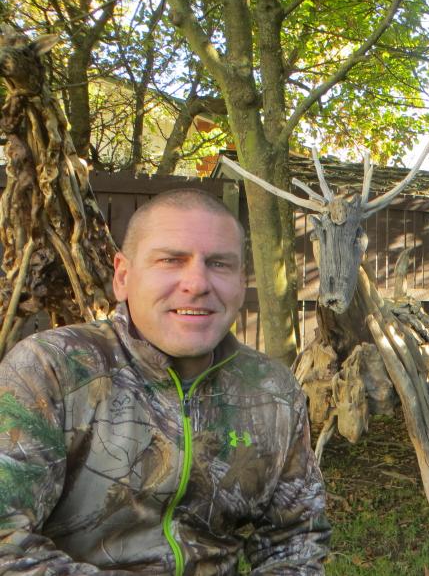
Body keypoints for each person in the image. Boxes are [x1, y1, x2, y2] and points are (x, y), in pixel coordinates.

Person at [0, 189, 330, 574]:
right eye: (172, 260)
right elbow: (8, 545)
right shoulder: (50, 369)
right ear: (123, 276)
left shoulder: (270, 389)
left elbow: (295, 536)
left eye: (219, 264)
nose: (196, 283)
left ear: (241, 282)